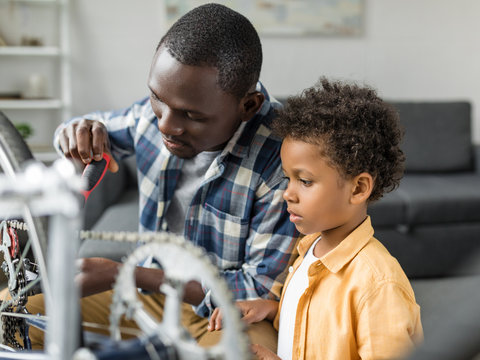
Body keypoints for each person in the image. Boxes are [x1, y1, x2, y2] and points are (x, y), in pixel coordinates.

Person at [24, 3, 298, 351]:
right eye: (157, 97)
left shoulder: (283, 159)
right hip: (142, 298)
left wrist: (125, 273)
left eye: (191, 115)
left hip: (225, 313)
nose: (165, 125)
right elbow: (90, 129)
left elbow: (256, 288)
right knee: (10, 315)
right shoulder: (152, 116)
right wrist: (76, 132)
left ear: (248, 106)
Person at [208, 78, 424, 360]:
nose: (287, 194)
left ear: (358, 188)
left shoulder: (377, 285)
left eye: (305, 181)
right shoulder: (309, 249)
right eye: (288, 179)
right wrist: (272, 309)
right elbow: (317, 322)